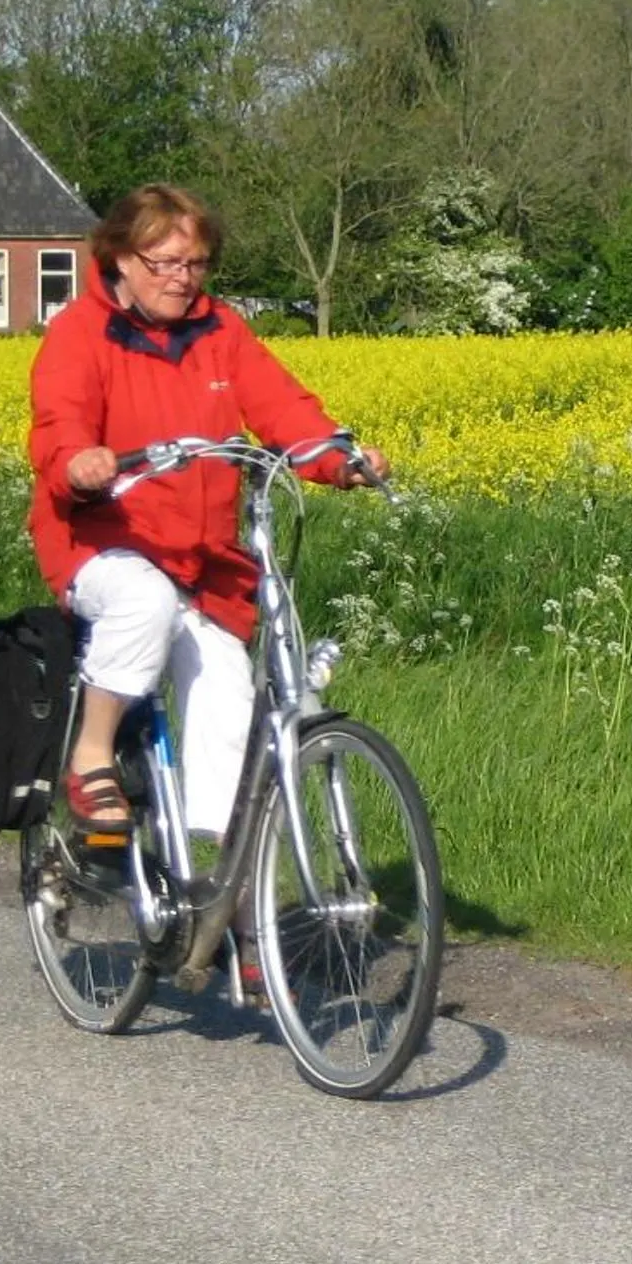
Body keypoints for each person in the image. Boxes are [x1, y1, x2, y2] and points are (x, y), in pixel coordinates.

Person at [27, 183, 386, 839]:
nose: (182, 279)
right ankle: (92, 752)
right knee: (144, 602)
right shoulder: (81, 333)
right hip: (101, 546)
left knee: (226, 700)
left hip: (201, 560)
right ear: (123, 260)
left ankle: (216, 902)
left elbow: (282, 409)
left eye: (194, 264)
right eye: (163, 262)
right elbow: (59, 424)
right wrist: (80, 462)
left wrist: (340, 460)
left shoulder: (221, 330)